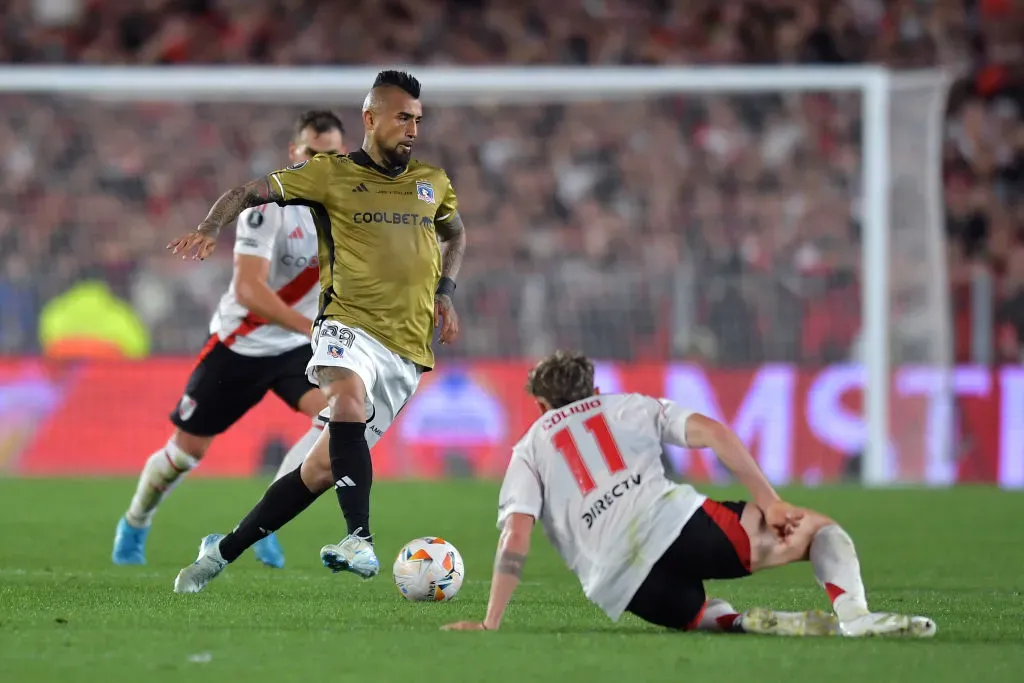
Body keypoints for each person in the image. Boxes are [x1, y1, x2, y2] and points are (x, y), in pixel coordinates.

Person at [168, 70, 467, 593]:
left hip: (406, 349)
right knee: (347, 398)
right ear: (370, 119)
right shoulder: (328, 173)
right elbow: (248, 191)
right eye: (402, 117)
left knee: (319, 471)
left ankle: (220, 551)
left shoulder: (432, 182)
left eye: (418, 119)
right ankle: (360, 538)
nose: (413, 129)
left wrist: (445, 292)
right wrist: (210, 226)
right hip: (345, 324)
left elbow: (456, 234)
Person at [442, 350, 936, 638]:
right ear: (592, 389)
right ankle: (854, 617)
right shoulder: (628, 406)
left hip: (620, 585)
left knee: (699, 614)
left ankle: (741, 621)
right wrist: (770, 500)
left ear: (541, 404)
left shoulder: (527, 448)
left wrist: (490, 624)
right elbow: (716, 432)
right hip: (677, 528)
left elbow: (517, 537)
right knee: (821, 530)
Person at [112, 110, 346, 570]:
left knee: (340, 420)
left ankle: (263, 524)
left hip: (298, 350)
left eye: (333, 155)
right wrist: (312, 328)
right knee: (185, 454)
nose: (322, 163)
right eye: (312, 154)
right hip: (241, 345)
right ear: (293, 154)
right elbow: (248, 290)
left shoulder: (349, 210)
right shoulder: (269, 208)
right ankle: (136, 520)